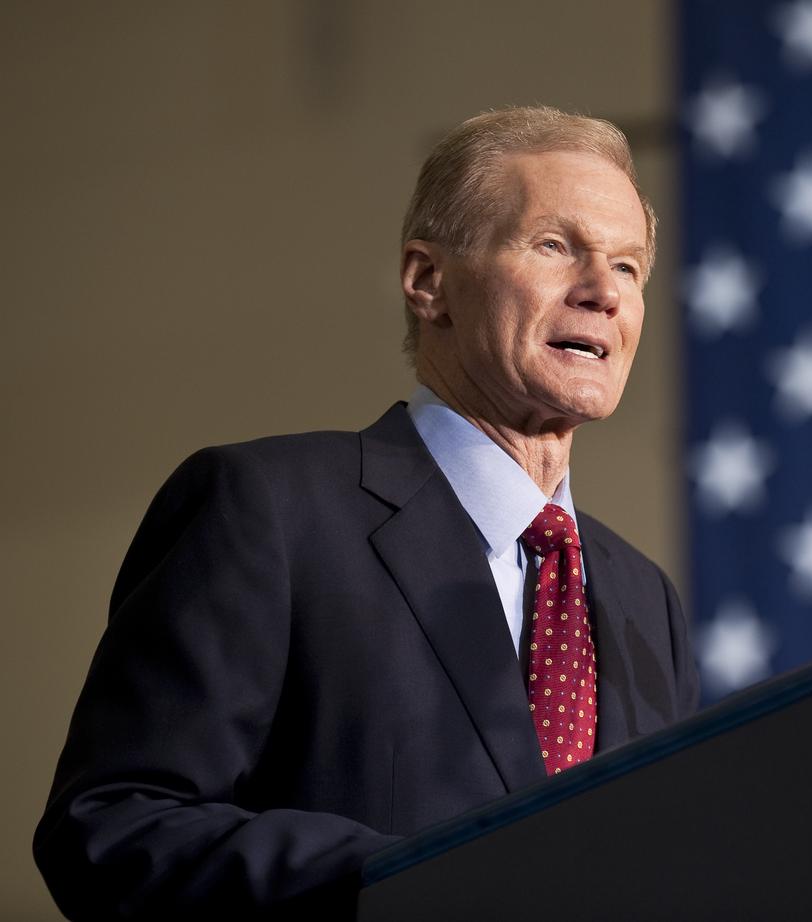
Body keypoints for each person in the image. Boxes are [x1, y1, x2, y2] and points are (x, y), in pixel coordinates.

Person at [34, 106, 700, 920]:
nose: (603, 292)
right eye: (556, 247)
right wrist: (415, 879)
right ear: (427, 282)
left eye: (629, 267)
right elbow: (112, 826)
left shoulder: (641, 597)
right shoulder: (270, 511)